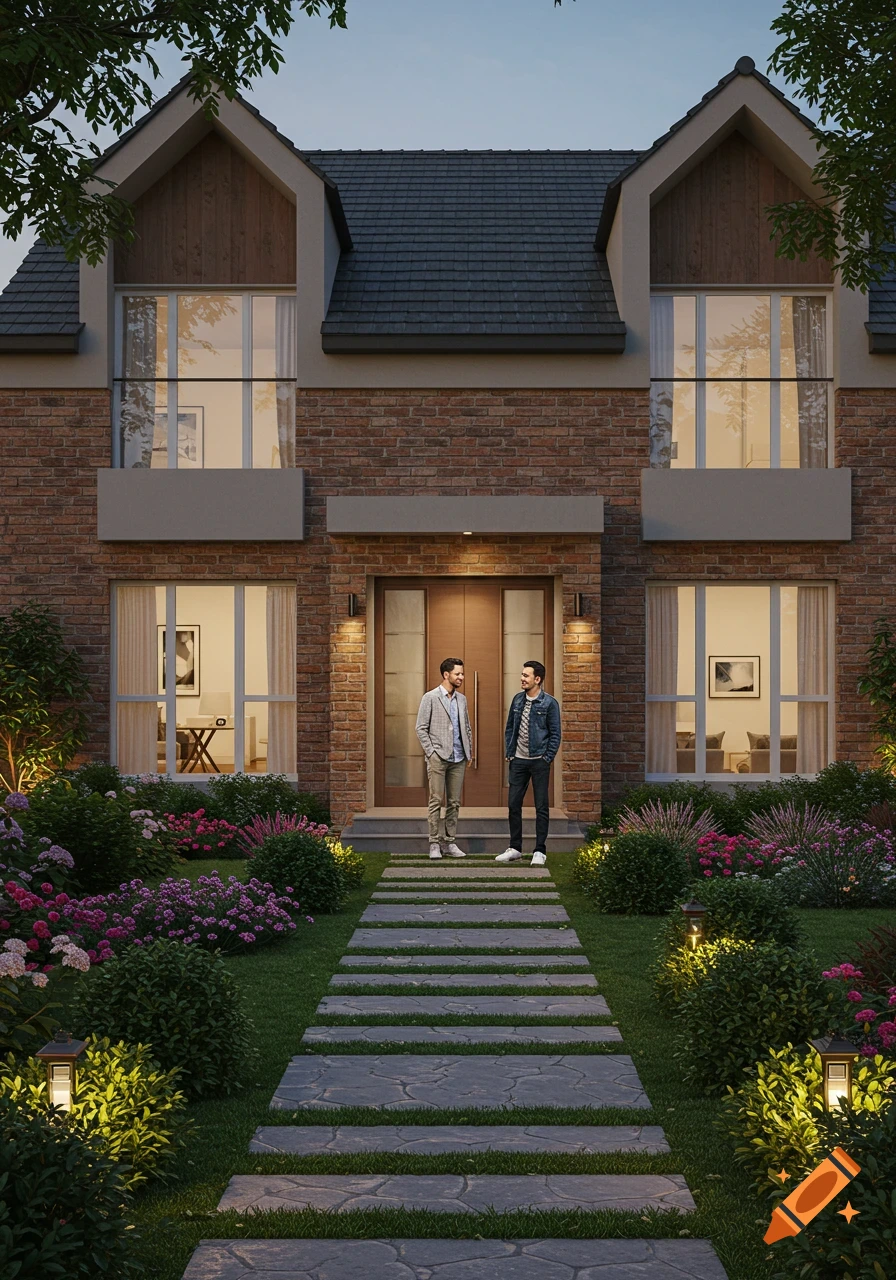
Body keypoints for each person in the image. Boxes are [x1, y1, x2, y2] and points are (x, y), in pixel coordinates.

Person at [496, 659, 561, 866]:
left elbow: (555, 734)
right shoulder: (517, 700)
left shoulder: (549, 703)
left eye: (526, 675)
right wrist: (510, 751)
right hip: (518, 761)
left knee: (541, 806)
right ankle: (515, 848)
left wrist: (547, 758)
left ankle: (539, 851)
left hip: (539, 761)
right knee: (514, 804)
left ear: (537, 679)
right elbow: (509, 728)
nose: (522, 678)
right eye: (522, 675)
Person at [415, 658, 473, 859]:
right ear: (446, 675)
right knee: (436, 800)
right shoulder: (430, 697)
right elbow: (421, 728)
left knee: (454, 802)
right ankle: (434, 843)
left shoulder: (462, 699)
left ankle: (450, 842)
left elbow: (466, 727)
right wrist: (431, 752)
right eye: (458, 674)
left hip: (459, 758)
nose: (461, 677)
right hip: (438, 757)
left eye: (462, 674)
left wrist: (469, 751)